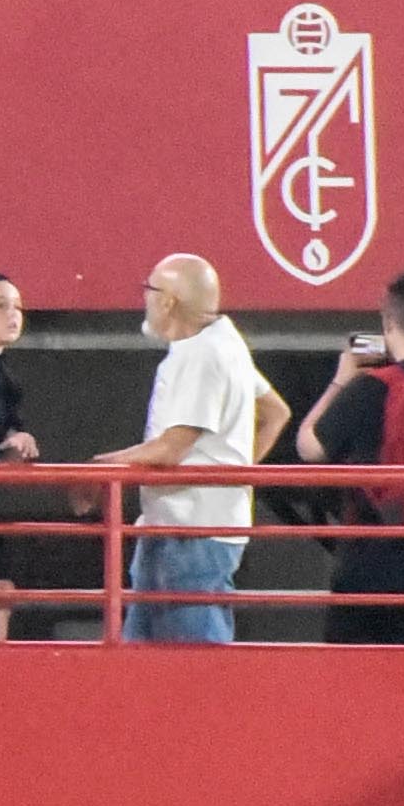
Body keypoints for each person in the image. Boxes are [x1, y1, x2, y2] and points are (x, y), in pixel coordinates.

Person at [113, 250, 279, 644]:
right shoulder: (225, 342)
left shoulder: (203, 354)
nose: (146, 298)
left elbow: (172, 449)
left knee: (190, 670)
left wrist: (101, 468)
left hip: (190, 532)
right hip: (181, 527)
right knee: (147, 668)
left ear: (168, 300)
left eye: (150, 289)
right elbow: (275, 412)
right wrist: (233, 472)